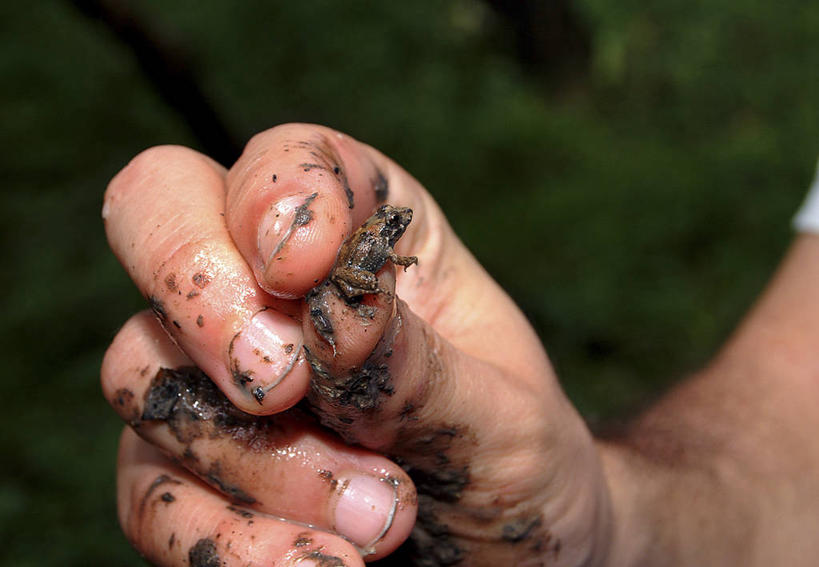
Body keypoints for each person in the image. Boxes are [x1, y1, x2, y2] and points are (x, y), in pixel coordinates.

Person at [100, 124, 819, 567]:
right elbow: (792, 434)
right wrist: (604, 529)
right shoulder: (368, 251)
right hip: (344, 298)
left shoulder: (375, 256)